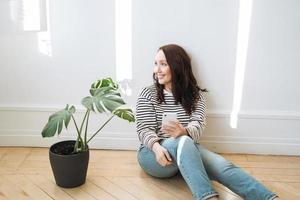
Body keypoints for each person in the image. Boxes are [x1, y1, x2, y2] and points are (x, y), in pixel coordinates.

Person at [136, 44, 279, 200]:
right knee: (183, 142)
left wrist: (184, 132)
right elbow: (144, 129)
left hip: (186, 150)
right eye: (155, 63)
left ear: (177, 66)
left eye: (163, 64)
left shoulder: (195, 95)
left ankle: (268, 197)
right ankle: (208, 197)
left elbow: (197, 124)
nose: (157, 69)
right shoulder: (148, 93)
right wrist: (157, 148)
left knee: (222, 165)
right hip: (154, 154)